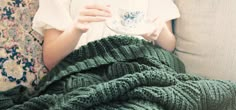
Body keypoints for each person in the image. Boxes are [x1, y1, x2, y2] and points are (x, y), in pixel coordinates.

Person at [33, 0, 180, 70]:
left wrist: (158, 32)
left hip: (141, 65)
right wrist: (75, 29)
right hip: (86, 69)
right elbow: (50, 60)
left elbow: (169, 46)